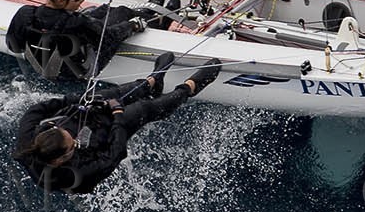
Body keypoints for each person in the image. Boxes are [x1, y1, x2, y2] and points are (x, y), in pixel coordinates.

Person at [12, 54, 222, 194]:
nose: (74, 139)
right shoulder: (75, 174)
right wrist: (118, 116)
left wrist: (77, 101)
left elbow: (35, 110)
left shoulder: (28, 140)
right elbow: (115, 153)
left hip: (75, 121)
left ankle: (152, 81)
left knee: (107, 96)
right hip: (102, 147)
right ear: (59, 160)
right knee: (141, 110)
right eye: (72, 144)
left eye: (65, 133)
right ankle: (189, 87)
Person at [5, 0, 169, 78]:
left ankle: (149, 14)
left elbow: (14, 46)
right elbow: (109, 37)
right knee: (122, 12)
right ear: (61, 0)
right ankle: (156, 21)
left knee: (99, 10)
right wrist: (133, 26)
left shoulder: (25, 13)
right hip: (82, 72)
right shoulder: (75, 23)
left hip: (48, 70)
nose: (82, 0)